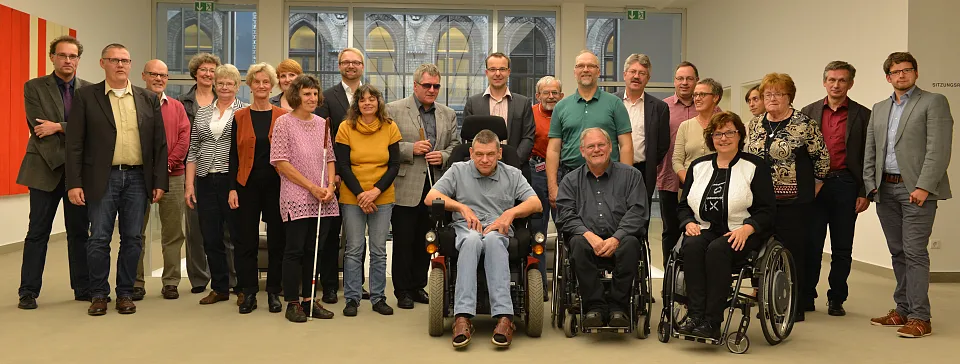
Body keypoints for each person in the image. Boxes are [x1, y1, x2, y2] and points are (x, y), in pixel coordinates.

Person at [65, 43, 168, 316]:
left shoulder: (147, 98)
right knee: (98, 238)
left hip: (137, 178)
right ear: (102, 64)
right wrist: (74, 182)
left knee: (133, 238)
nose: (120, 65)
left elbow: (159, 145)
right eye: (114, 60)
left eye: (125, 60)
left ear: (131, 64)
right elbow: (75, 144)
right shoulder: (86, 96)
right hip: (103, 178)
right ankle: (99, 294)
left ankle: (125, 293)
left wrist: (159, 181)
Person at [424, 129, 542, 348]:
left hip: (499, 230)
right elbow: (431, 197)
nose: (485, 159)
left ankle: (505, 317)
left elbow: (536, 203)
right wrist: (461, 207)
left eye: (490, 154)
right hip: (466, 228)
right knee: (472, 240)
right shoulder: (458, 170)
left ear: (499, 153)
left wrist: (510, 213)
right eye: (479, 154)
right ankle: (462, 317)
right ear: (470, 152)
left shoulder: (513, 173)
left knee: (493, 240)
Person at [865, 52, 953, 338]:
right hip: (885, 189)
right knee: (898, 251)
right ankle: (902, 309)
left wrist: (924, 186)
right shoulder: (879, 108)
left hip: (916, 189)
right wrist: (871, 184)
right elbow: (871, 150)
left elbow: (938, 149)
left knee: (915, 252)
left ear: (915, 73)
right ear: (888, 77)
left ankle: (920, 317)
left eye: (907, 70)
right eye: (896, 71)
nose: (902, 75)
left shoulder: (933, 102)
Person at [676, 111, 776, 340]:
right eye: (718, 133)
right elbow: (683, 206)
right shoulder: (698, 166)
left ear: (740, 135)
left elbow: (767, 210)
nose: (723, 138)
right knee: (691, 246)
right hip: (705, 228)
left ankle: (712, 321)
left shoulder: (754, 166)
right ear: (711, 137)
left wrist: (748, 228)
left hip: (741, 231)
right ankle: (695, 315)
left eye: (729, 132)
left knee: (718, 250)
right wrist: (688, 222)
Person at [744, 73, 829, 322]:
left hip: (793, 202)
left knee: (792, 253)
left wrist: (816, 185)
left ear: (789, 97)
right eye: (767, 94)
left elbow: (822, 159)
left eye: (778, 94)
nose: (772, 99)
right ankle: (766, 301)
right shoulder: (756, 123)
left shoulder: (804, 124)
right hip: (760, 201)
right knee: (760, 252)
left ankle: (794, 306)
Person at [17, 35, 92, 309]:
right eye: (63, 55)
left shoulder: (90, 90)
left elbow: (92, 129)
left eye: (73, 56)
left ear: (78, 60)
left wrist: (59, 126)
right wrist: (72, 130)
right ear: (52, 57)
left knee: (79, 232)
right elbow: (39, 128)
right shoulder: (34, 87)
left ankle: (83, 287)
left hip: (78, 175)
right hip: (44, 169)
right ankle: (28, 291)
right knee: (37, 232)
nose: (68, 61)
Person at [799, 61, 871, 317]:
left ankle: (836, 298)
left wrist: (865, 192)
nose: (836, 84)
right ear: (824, 82)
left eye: (842, 80)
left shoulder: (863, 115)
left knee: (842, 247)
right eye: (831, 79)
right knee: (812, 245)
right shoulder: (807, 112)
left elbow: (867, 156)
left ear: (850, 83)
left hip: (846, 185)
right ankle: (807, 295)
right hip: (816, 186)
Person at [386, 63, 461, 310]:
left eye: (436, 86)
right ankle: (402, 290)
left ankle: (419, 285)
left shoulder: (447, 113)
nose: (432, 89)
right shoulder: (394, 110)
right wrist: (410, 149)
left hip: (436, 187)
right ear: (415, 85)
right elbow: (383, 146)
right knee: (404, 241)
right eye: (427, 85)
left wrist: (444, 156)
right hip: (406, 187)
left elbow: (456, 146)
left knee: (427, 240)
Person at [556, 127, 647, 329]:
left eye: (601, 145)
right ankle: (594, 307)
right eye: (591, 146)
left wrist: (616, 238)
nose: (596, 150)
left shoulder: (631, 176)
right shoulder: (570, 181)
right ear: (582, 151)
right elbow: (565, 215)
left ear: (610, 147)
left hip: (621, 239)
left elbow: (637, 211)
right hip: (586, 240)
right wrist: (589, 235)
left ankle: (618, 308)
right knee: (577, 244)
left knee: (632, 244)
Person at [271, 74, 339, 323]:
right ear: (296, 96)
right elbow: (280, 162)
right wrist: (311, 187)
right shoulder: (284, 123)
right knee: (295, 251)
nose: (312, 98)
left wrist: (330, 186)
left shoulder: (323, 123)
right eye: (307, 93)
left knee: (315, 249)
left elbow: (330, 158)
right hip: (297, 194)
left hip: (323, 196)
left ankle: (310, 300)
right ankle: (292, 302)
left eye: (314, 93)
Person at [335, 84, 402, 317]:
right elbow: (342, 165)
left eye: (372, 99)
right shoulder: (345, 127)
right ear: (356, 104)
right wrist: (361, 194)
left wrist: (374, 192)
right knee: (354, 248)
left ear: (378, 102)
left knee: (379, 249)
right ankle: (352, 298)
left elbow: (395, 165)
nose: (367, 103)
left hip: (382, 196)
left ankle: (378, 297)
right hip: (352, 196)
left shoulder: (390, 127)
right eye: (362, 100)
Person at [184, 64, 248, 306]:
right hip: (204, 179)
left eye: (229, 83)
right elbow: (193, 150)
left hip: (232, 181)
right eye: (220, 83)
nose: (223, 87)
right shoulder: (202, 112)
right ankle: (220, 287)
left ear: (237, 86)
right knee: (210, 236)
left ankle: (242, 287)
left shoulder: (244, 111)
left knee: (238, 235)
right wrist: (189, 185)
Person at [228, 62, 288, 314]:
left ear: (272, 85)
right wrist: (232, 188)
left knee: (278, 240)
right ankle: (249, 292)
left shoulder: (283, 117)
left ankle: (274, 291)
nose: (262, 86)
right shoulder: (239, 116)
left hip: (277, 186)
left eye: (266, 82)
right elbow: (232, 155)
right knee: (246, 242)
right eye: (257, 81)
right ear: (249, 85)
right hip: (246, 186)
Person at [547, 50, 633, 211]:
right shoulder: (561, 107)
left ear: (598, 71)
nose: (585, 69)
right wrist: (553, 187)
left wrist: (624, 182)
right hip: (570, 177)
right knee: (571, 229)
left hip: (609, 178)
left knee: (607, 226)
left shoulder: (615, 104)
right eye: (581, 66)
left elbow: (626, 146)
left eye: (591, 66)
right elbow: (553, 150)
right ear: (575, 72)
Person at [134, 59, 190, 300]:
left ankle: (171, 282)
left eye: (163, 75)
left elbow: (184, 138)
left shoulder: (177, 107)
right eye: (153, 74)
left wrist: (165, 164)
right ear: (144, 76)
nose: (159, 79)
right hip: (137, 178)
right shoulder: (132, 105)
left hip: (173, 177)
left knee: (173, 233)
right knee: (135, 232)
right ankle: (135, 282)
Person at [315, 48, 366, 304]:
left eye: (356, 62)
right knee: (332, 234)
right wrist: (331, 172)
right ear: (339, 66)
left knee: (359, 235)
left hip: (364, 174)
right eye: (346, 62)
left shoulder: (370, 97)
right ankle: (331, 285)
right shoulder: (326, 97)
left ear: (362, 67)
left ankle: (357, 284)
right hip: (336, 175)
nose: (351, 66)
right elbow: (323, 138)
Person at [178, 53, 231, 295]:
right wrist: (189, 184)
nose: (208, 74)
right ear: (195, 73)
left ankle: (229, 279)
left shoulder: (233, 105)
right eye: (204, 70)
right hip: (197, 174)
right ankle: (199, 278)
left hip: (225, 175)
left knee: (226, 231)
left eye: (213, 71)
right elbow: (190, 146)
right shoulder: (184, 103)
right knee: (196, 230)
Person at [659, 62, 717, 265]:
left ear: (697, 81)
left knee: (703, 229)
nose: (684, 83)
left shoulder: (716, 111)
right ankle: (671, 277)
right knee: (671, 230)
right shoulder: (662, 107)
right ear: (674, 81)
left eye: (689, 78)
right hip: (670, 179)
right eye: (680, 78)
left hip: (710, 184)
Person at [463, 52, 536, 179]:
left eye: (502, 69)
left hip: (516, 171)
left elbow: (528, 137)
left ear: (508, 72)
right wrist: (485, 162)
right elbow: (469, 139)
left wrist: (512, 163)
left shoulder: (523, 103)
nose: (497, 74)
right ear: (486, 72)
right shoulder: (473, 103)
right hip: (480, 172)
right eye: (493, 69)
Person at [613, 54, 669, 209]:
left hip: (643, 171)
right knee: (613, 213)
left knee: (640, 216)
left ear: (648, 78)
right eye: (633, 72)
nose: (636, 76)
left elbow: (663, 145)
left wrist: (648, 161)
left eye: (642, 73)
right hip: (612, 169)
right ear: (625, 75)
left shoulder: (659, 107)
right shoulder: (610, 102)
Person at [529, 76, 563, 299]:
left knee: (568, 230)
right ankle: (538, 285)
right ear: (538, 95)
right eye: (546, 93)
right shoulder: (530, 113)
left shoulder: (568, 111)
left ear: (561, 95)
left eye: (555, 93)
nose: (551, 97)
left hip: (565, 174)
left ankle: (566, 286)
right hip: (537, 173)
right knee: (537, 232)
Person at [673, 78, 724, 185]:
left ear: (715, 97)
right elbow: (677, 161)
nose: (697, 99)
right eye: (695, 95)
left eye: (702, 94)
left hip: (718, 185)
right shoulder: (685, 126)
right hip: (689, 187)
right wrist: (689, 182)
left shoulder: (725, 125)